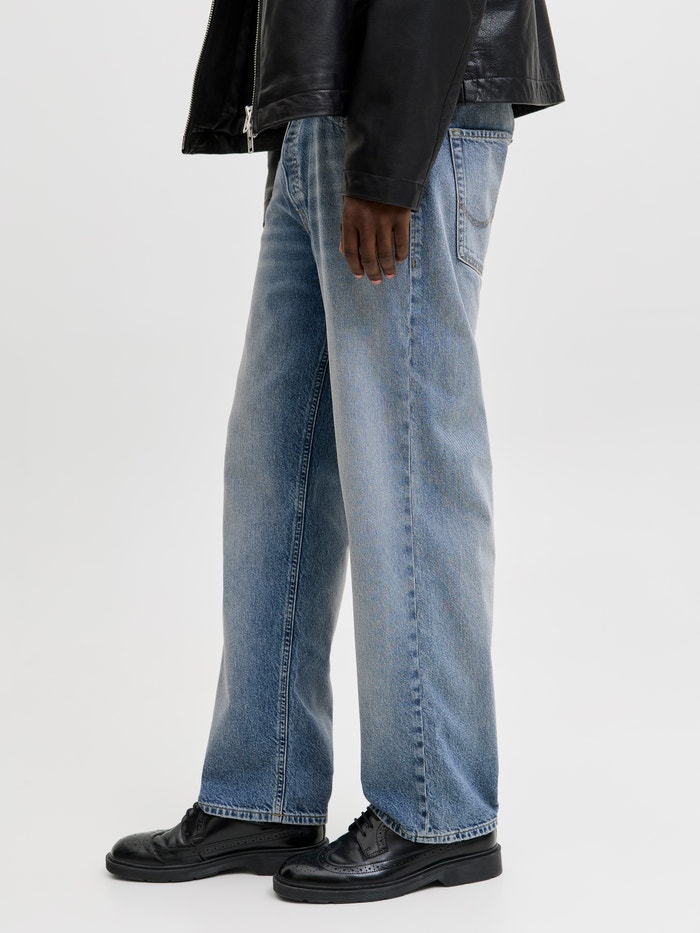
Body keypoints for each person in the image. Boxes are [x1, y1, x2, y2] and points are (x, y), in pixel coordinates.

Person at [105, 0, 564, 904]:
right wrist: (286, 117)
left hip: (402, 112)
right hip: (317, 115)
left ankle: (438, 810)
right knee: (275, 466)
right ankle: (261, 791)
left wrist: (388, 156)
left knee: (408, 464)